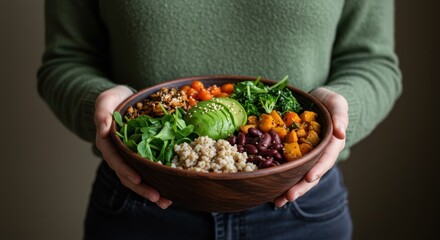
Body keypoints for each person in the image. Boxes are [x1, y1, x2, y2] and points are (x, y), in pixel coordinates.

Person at [37, 0, 402, 239]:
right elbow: (66, 60)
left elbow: (373, 62)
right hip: (141, 205)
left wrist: (342, 110)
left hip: (299, 206)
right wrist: (101, 108)